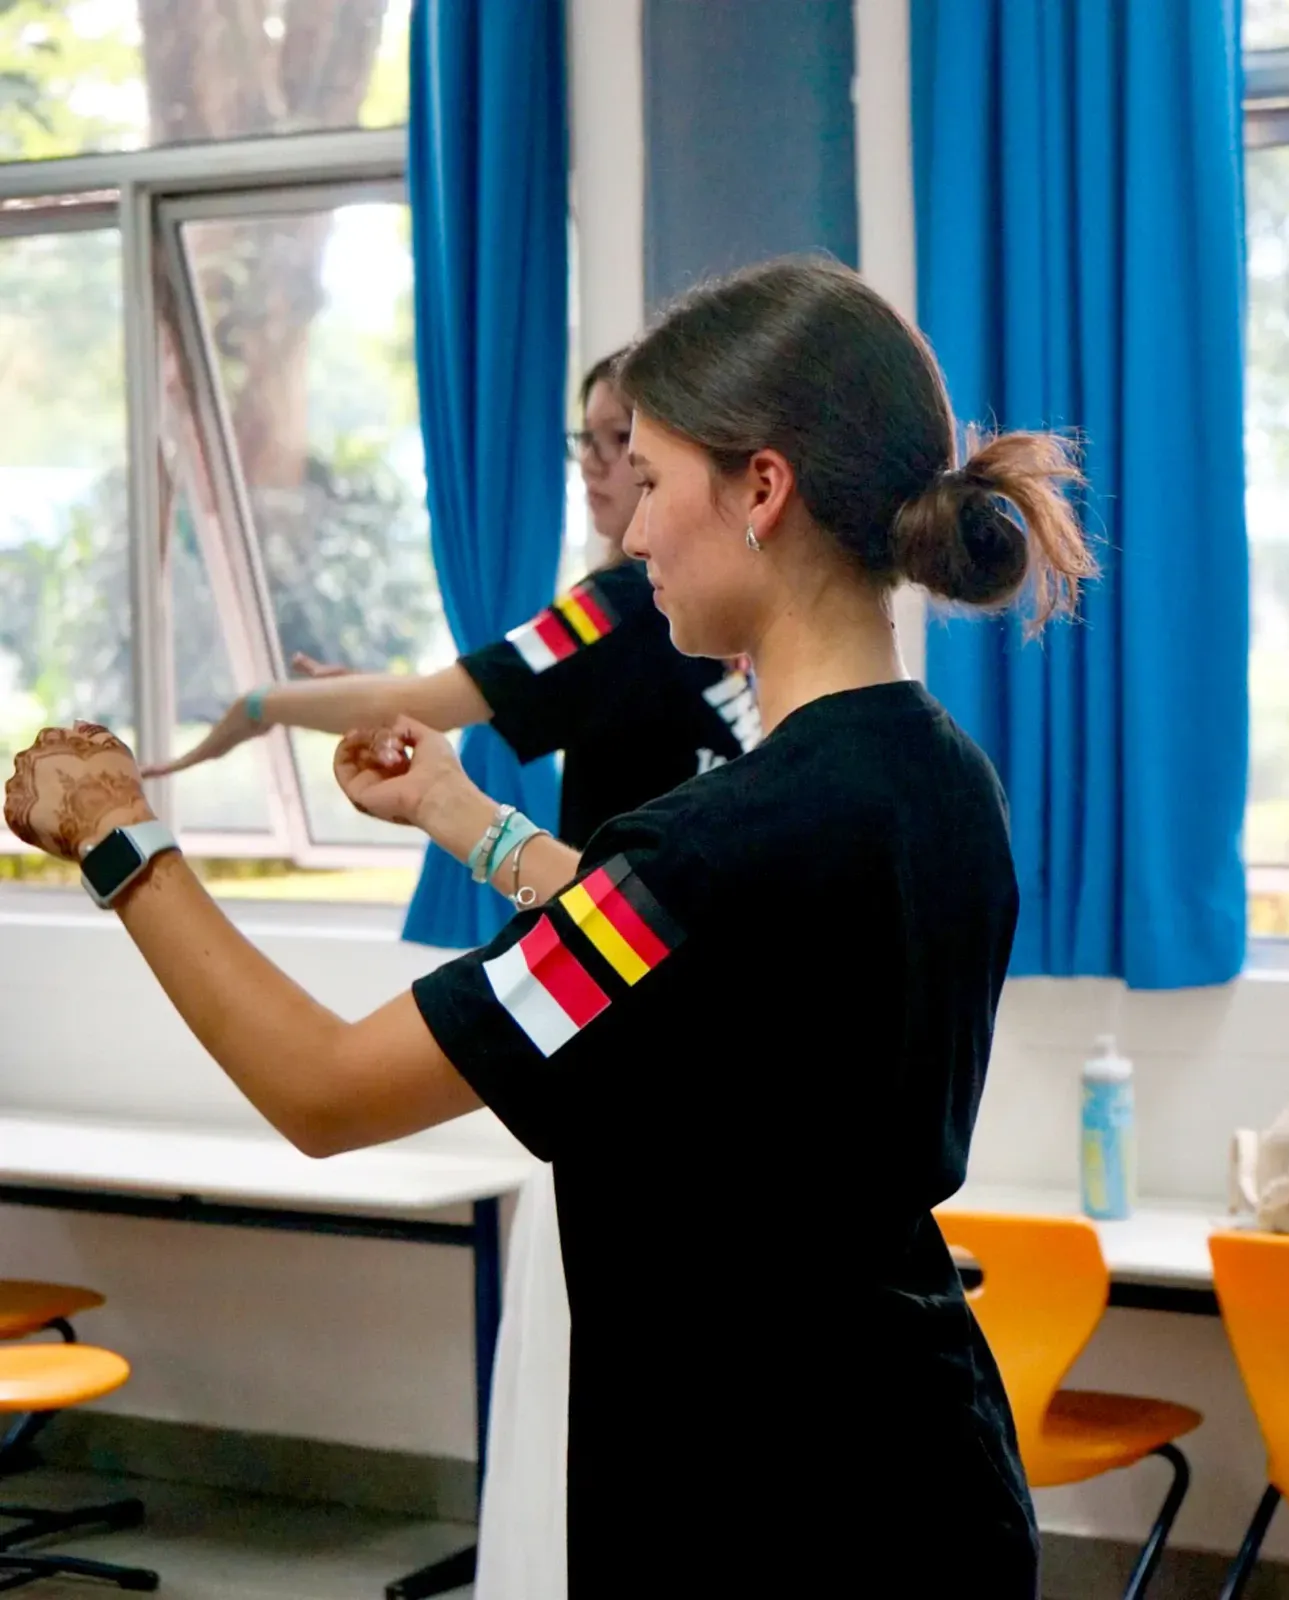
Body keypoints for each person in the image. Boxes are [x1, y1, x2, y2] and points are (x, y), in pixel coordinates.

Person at [6, 255, 1096, 1594]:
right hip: (930, 1470)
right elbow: (698, 966)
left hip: (747, 1510)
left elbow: (323, 1087)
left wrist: (121, 838)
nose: (633, 535)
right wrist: (463, 817)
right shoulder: (942, 780)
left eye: (654, 480)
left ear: (761, 488)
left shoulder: (705, 852)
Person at [141, 351, 760, 849]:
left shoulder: (613, 605)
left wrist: (259, 705)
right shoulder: (685, 599)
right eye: (585, 438)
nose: (593, 464)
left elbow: (428, 703)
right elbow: (478, 691)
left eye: (620, 441)